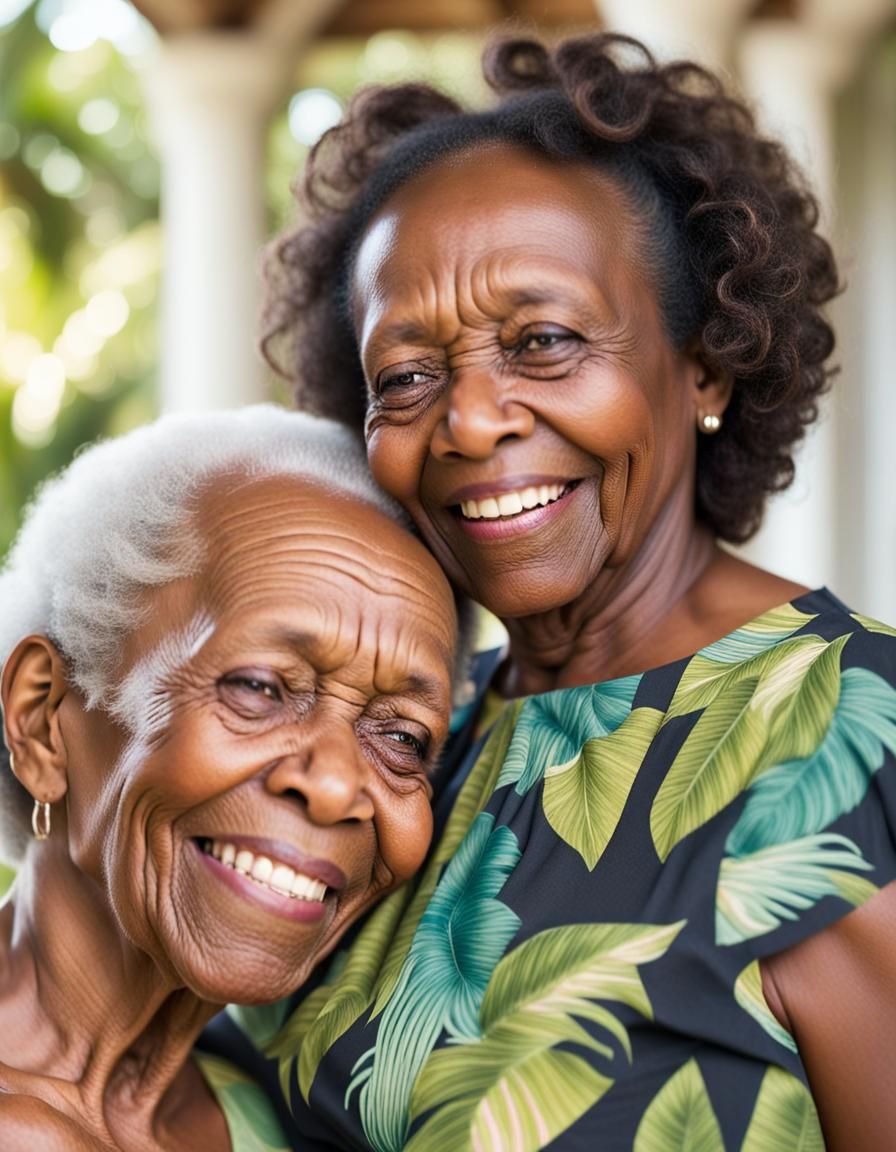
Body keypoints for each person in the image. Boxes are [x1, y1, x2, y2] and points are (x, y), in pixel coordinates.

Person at [249, 31, 896, 1152]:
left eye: (542, 341)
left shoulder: (853, 737)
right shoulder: (398, 742)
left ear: (705, 362)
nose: (468, 421)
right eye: (406, 375)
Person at [0, 405, 460, 1150]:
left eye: (402, 738)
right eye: (259, 688)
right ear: (44, 720)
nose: (336, 786)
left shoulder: (295, 1117)